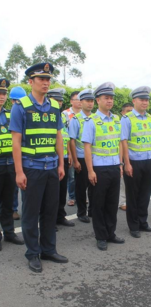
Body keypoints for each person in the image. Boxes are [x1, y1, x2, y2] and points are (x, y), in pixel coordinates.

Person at [9, 63, 68, 273]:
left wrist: (61, 163)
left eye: (48, 79)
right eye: (41, 79)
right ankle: (33, 253)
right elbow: (16, 141)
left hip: (52, 167)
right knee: (31, 213)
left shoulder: (54, 106)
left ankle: (48, 249)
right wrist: (19, 172)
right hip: (31, 169)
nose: (46, 82)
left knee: (50, 212)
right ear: (30, 82)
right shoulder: (21, 106)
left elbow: (58, 136)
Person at [82, 82, 125, 251]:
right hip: (99, 169)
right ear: (98, 100)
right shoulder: (91, 121)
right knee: (98, 204)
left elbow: (119, 143)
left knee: (112, 203)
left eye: (111, 98)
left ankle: (110, 233)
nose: (110, 101)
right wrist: (90, 170)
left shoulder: (116, 119)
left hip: (114, 167)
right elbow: (87, 146)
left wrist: (120, 164)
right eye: (106, 98)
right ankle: (101, 236)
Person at [121, 86, 151, 238]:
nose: (145, 102)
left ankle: (143, 222)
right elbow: (123, 142)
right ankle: (134, 225)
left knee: (145, 194)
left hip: (148, 161)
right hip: (134, 162)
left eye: (147, 100)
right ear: (134, 101)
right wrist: (127, 163)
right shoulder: (127, 119)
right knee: (133, 195)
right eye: (142, 100)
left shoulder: (150, 118)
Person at [0, 79, 25, 252]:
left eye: (3, 93)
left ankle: (9, 232)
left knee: (9, 201)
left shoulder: (10, 114)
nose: (1, 97)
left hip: (10, 164)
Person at [47, 88, 75, 228]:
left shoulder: (63, 117)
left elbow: (67, 137)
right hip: (51, 158)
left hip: (63, 156)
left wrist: (69, 153)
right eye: (55, 100)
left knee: (62, 189)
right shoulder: (46, 115)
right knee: (51, 192)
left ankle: (60, 216)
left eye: (60, 100)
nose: (58, 103)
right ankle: (49, 220)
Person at [69, 89, 94, 223]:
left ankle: (92, 210)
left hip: (94, 157)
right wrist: (75, 160)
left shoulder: (95, 118)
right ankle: (81, 212)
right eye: (87, 101)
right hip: (81, 157)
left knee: (93, 185)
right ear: (81, 102)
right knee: (81, 187)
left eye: (92, 101)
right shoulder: (76, 119)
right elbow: (72, 140)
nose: (90, 104)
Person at [9, 86, 27, 220]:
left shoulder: (25, 114)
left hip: (22, 155)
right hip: (7, 156)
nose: (17, 103)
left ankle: (16, 209)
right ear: (12, 101)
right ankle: (11, 209)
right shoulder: (9, 115)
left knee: (21, 185)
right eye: (15, 100)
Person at [63, 91, 81, 207]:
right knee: (72, 176)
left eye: (81, 99)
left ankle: (81, 196)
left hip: (82, 150)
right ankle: (72, 197)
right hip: (69, 148)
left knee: (82, 175)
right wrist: (69, 152)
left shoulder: (87, 114)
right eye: (76, 99)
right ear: (71, 101)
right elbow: (65, 135)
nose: (79, 102)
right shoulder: (65, 114)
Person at [118, 103, 133, 211]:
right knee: (122, 181)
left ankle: (130, 200)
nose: (130, 113)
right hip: (121, 155)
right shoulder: (119, 123)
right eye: (128, 111)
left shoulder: (134, 122)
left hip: (132, 155)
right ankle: (122, 202)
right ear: (122, 113)